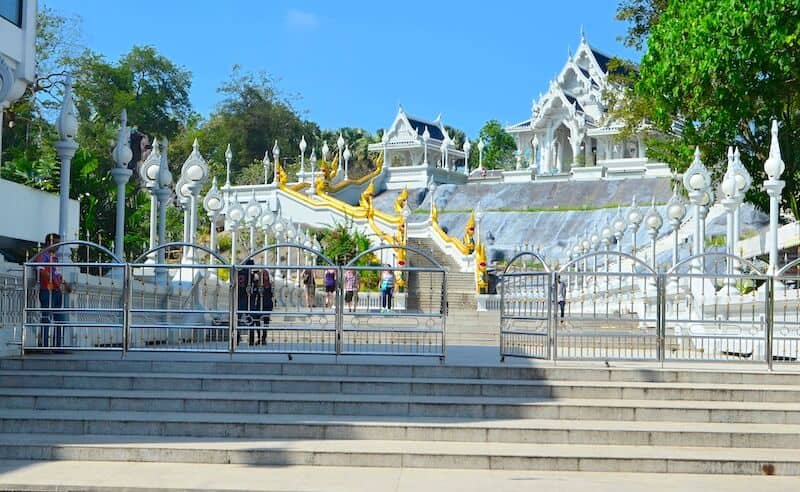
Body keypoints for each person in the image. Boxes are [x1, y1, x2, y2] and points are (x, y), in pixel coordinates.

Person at [36, 233, 67, 348]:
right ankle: (44, 345)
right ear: (50, 243)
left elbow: (56, 274)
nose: (59, 246)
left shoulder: (55, 258)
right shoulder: (42, 256)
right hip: (47, 290)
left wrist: (62, 283)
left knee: (60, 319)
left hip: (56, 291)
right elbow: (41, 271)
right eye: (57, 243)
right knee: (47, 318)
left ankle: (58, 345)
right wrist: (53, 280)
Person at [251, 268, 273, 346]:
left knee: (266, 321)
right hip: (259, 304)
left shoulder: (270, 284)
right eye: (263, 275)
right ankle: (259, 337)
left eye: (266, 275)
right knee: (257, 320)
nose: (265, 276)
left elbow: (271, 294)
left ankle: (263, 338)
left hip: (267, 304)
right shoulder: (257, 283)